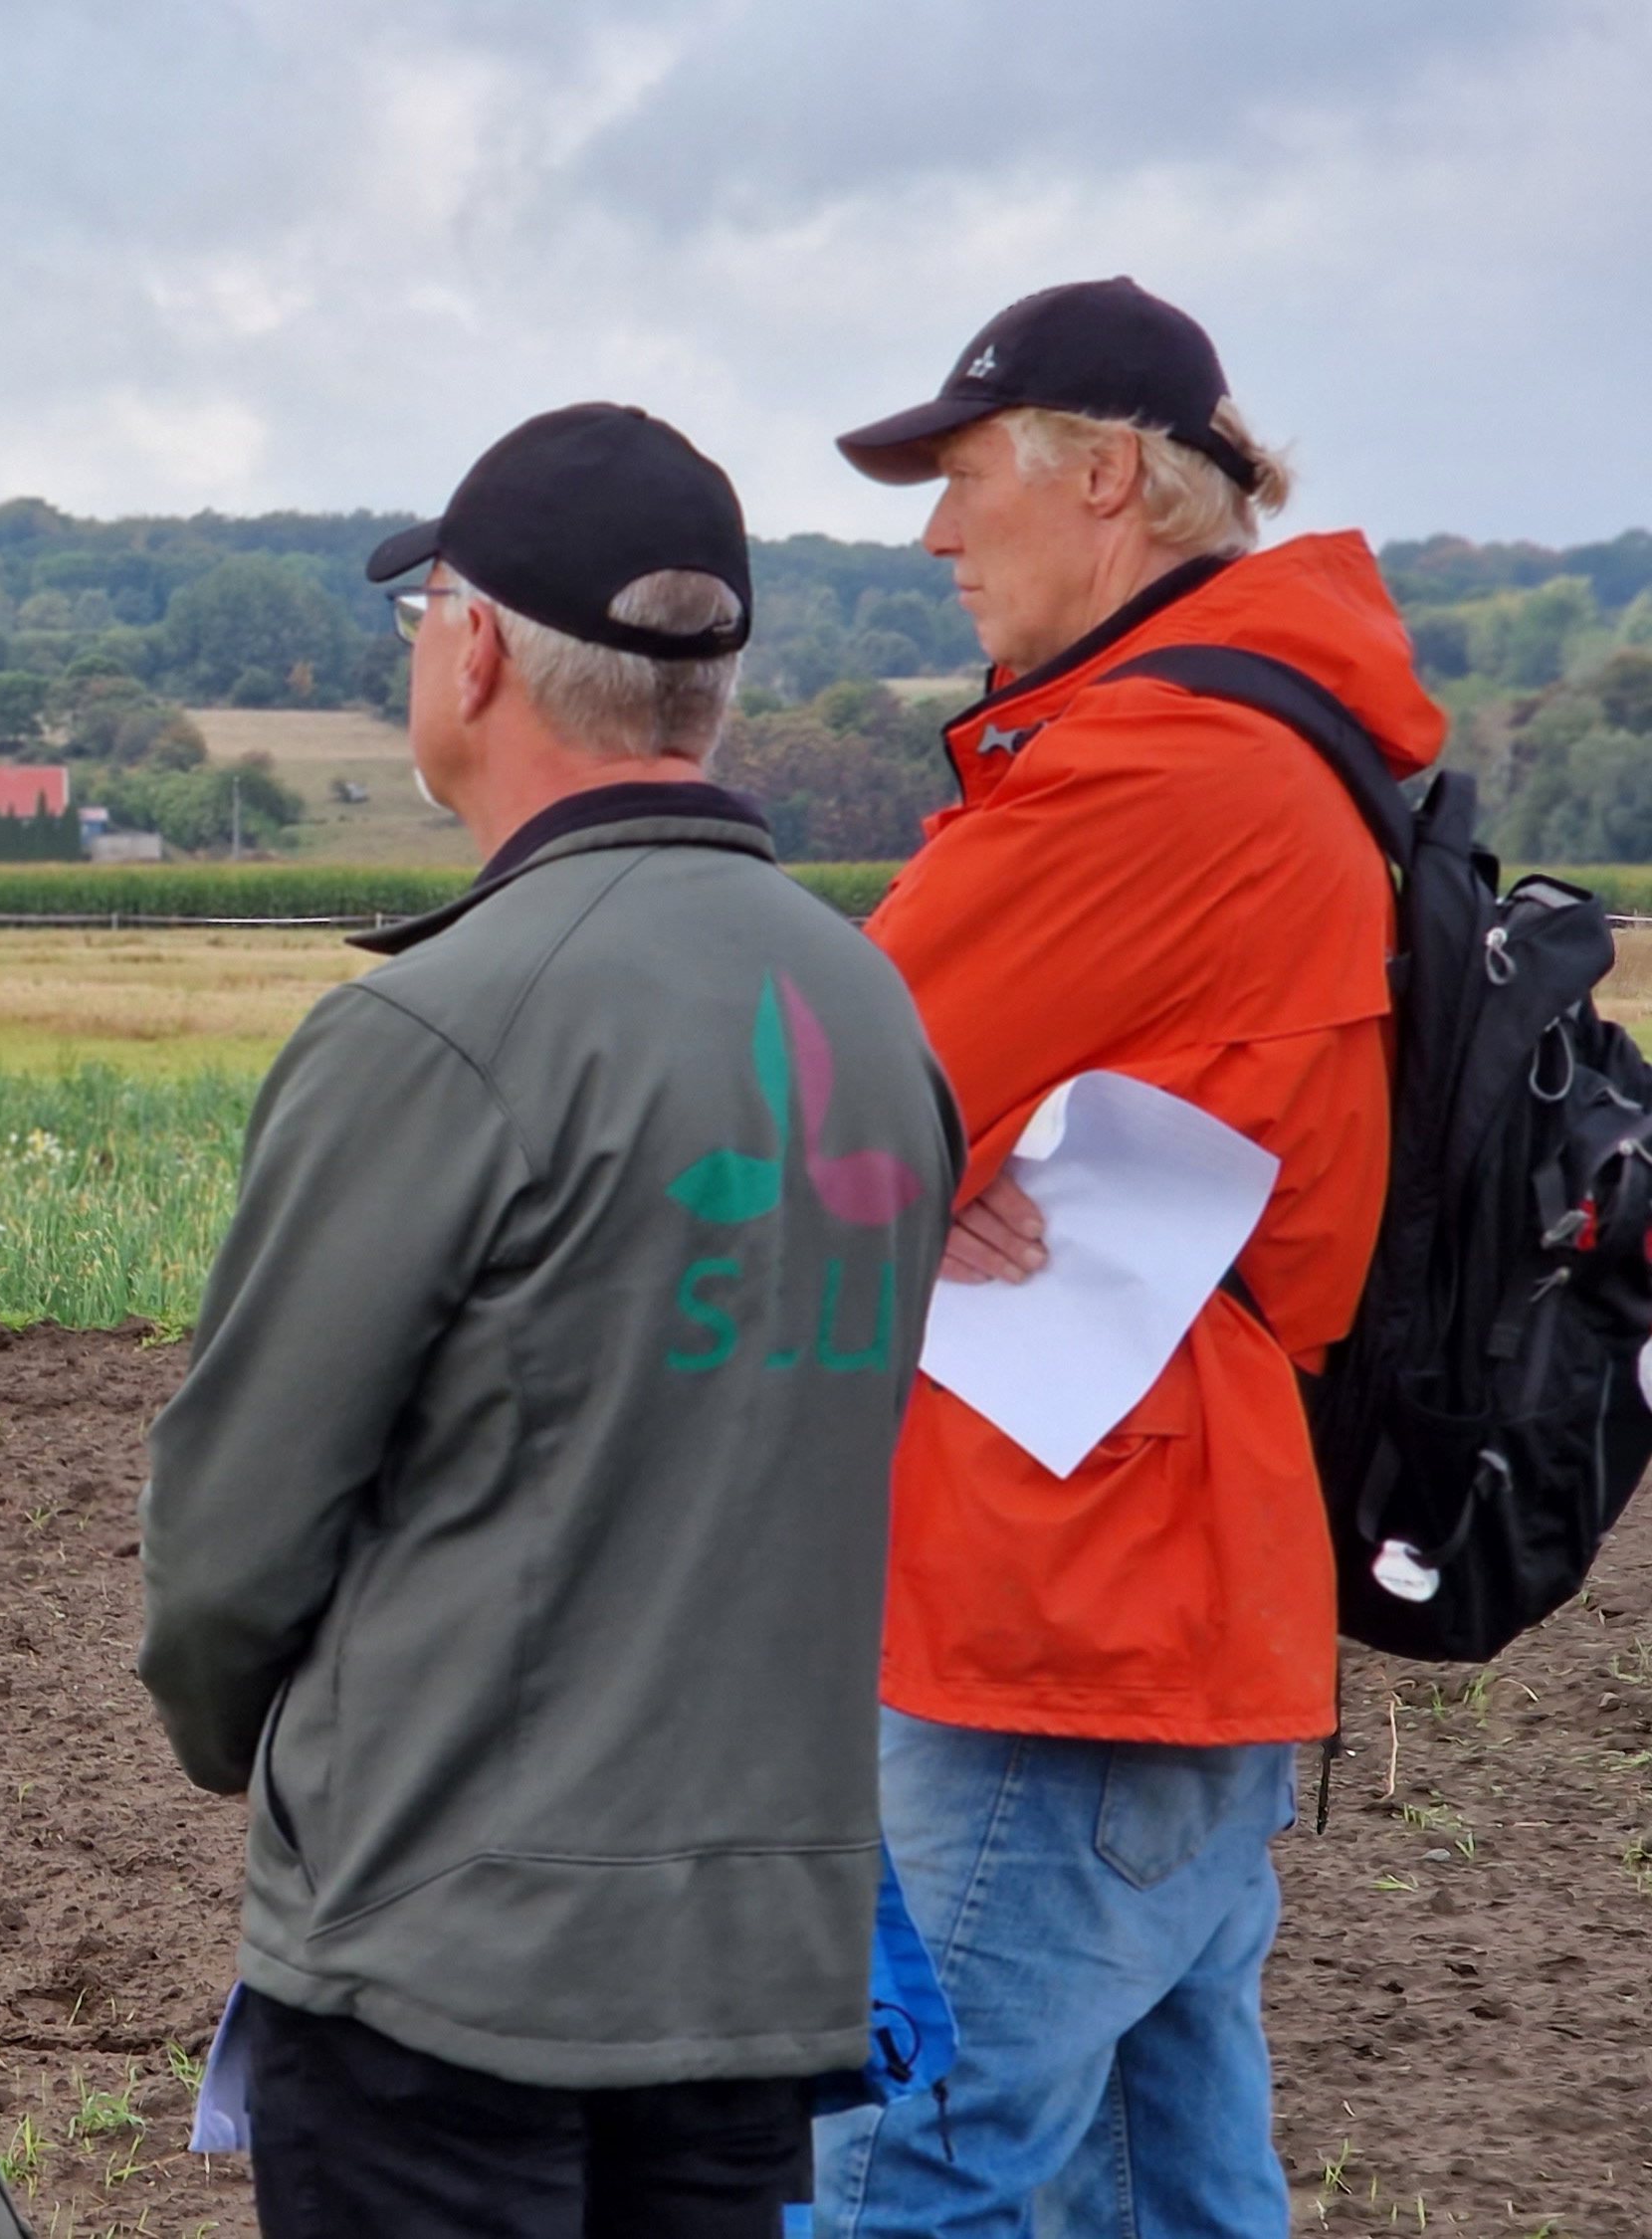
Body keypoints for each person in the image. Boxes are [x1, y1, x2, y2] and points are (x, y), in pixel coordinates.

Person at [136, 404, 961, 2238]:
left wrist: (246, 1757)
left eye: (423, 606)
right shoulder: (875, 1011)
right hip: (757, 1965)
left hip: (453, 1966)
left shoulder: (431, 1030)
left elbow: (226, 1551)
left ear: (477, 645)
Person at [806, 279, 1445, 2232]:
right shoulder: (1289, 738)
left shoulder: (1156, 772)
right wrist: (910, 1172)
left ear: (1104, 479)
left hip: (1052, 1612)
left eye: (959, 475)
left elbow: (794, 1103)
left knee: (907, 2175)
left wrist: (886, 1177)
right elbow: (880, 1127)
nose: (929, 534)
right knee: (1161, 2190)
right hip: (1183, 1595)